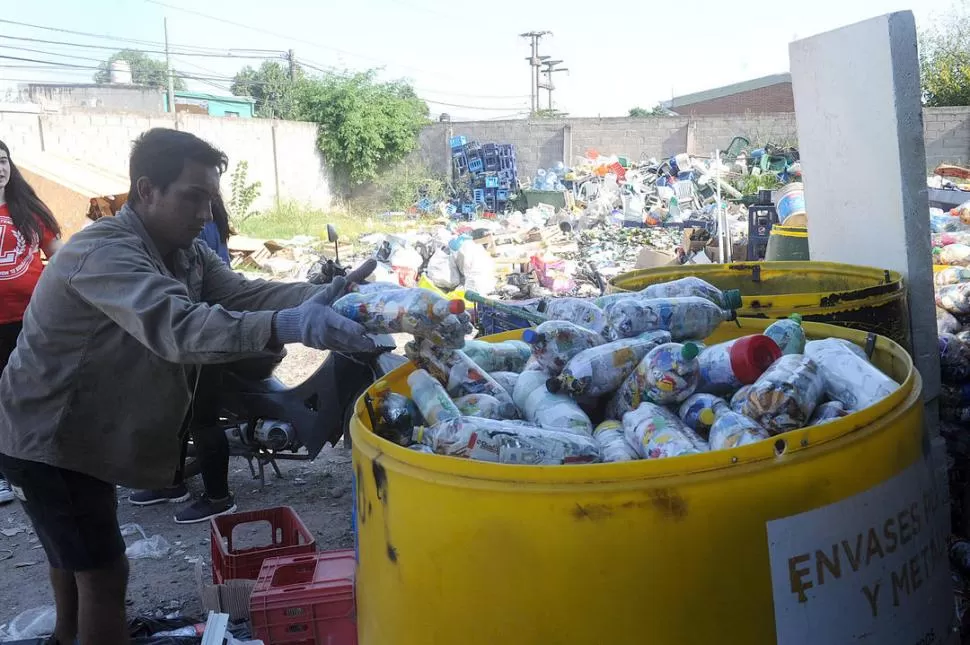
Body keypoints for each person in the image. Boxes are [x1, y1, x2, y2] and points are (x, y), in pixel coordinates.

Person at [0, 128, 375, 645]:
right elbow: (177, 326)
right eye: (192, 197)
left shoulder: (185, 253)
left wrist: (335, 296)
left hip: (79, 437)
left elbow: (246, 292)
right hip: (47, 436)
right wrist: (289, 325)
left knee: (76, 560)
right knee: (104, 573)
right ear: (147, 189)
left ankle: (68, 636)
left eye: (211, 198)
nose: (205, 212)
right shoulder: (105, 251)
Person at [128, 194, 238, 523]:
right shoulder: (196, 216)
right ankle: (171, 482)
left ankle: (219, 497)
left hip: (203, 330)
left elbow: (203, 287)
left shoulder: (189, 226)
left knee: (202, 418)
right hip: (186, 331)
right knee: (174, 414)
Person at [0, 140, 62, 506]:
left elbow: (59, 255)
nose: (0, 168)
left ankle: (43, 461)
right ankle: (5, 472)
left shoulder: (29, 208)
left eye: (3, 160)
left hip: (33, 321)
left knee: (36, 393)